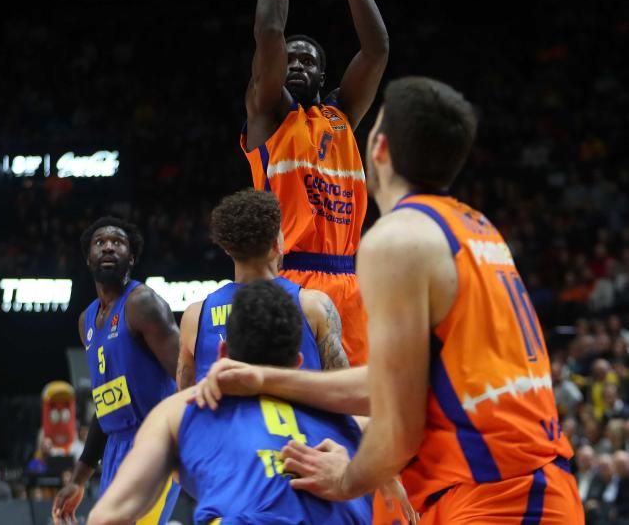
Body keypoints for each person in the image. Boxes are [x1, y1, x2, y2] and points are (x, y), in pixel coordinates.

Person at [195, 77, 585, 522]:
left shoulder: (396, 240)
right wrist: (265, 378)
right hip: (516, 483)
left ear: (378, 149)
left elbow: (397, 424)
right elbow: (387, 384)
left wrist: (346, 478)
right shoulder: (474, 227)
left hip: (498, 493)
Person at [240, 0, 389, 368]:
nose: (298, 64)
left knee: (357, 418)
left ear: (323, 77)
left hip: (349, 282)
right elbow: (269, 32)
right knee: (294, 408)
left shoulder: (340, 116)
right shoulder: (268, 116)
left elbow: (377, 50)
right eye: (292, 58)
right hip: (288, 279)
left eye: (310, 60)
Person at [88, 281, 374, 525]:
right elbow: (398, 394)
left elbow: (106, 517)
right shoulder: (357, 428)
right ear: (299, 362)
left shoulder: (182, 411)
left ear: (222, 352)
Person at [52, 216, 181, 523]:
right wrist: (78, 479)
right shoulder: (87, 321)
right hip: (115, 450)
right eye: (100, 243)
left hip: (156, 443)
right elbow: (106, 403)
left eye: (118, 243)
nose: (108, 247)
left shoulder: (143, 303)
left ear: (131, 258)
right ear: (88, 258)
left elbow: (188, 379)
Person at [176, 188, 348, 389]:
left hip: (225, 419)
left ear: (227, 248)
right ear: (277, 245)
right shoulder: (315, 306)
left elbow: (184, 397)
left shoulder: (194, 316)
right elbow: (343, 392)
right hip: (298, 420)